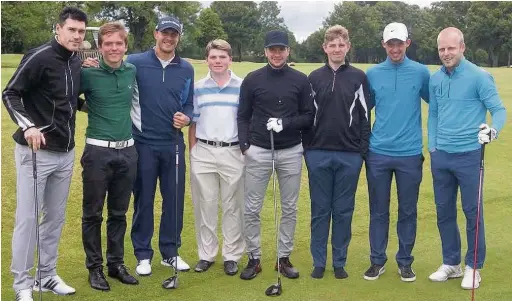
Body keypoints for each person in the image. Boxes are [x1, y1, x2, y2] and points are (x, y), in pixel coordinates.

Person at [2, 7, 87, 301]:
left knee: (54, 219)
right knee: (28, 219)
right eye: (72, 30)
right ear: (58, 29)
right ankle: (22, 285)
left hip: (65, 152)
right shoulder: (40, 56)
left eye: (80, 31)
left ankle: (46, 275)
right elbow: (10, 93)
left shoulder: (75, 60)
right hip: (35, 151)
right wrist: (28, 127)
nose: (76, 36)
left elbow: (68, 100)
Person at [427, 27, 506, 290]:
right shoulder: (436, 79)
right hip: (442, 156)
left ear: (462, 47)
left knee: (472, 212)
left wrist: (492, 131)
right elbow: (434, 115)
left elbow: (499, 110)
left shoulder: (479, 76)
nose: (446, 53)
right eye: (442, 49)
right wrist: (434, 147)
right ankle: (451, 263)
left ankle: (473, 267)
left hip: (470, 155)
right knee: (444, 212)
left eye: (451, 48)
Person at [237, 30, 315, 280]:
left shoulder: (300, 80)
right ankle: (254, 258)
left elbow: (308, 117)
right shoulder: (252, 79)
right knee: (251, 208)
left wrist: (286, 123)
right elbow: (243, 115)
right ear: (265, 52)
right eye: (272, 49)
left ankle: (283, 258)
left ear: (288, 51)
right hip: (259, 150)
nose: (277, 53)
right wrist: (244, 145)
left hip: (291, 151)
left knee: (289, 207)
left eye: (281, 49)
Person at [363, 22, 430, 282]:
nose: (395, 48)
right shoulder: (372, 74)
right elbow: (362, 111)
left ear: (407, 43)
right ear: (384, 45)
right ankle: (377, 261)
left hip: (410, 153)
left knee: (408, 210)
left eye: (399, 43)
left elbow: (436, 103)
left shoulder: (420, 72)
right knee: (378, 210)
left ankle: (405, 262)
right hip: (378, 152)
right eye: (390, 44)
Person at [127, 16, 193, 276]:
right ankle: (143, 254)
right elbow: (111, 71)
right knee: (144, 199)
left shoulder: (186, 68)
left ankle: (170, 252)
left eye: (173, 34)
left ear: (178, 37)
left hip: (173, 144)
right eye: (165, 33)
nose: (169, 38)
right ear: (155, 34)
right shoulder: (135, 62)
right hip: (143, 143)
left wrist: (186, 116)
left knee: (174, 200)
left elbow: (188, 102)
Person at [304, 25, 371, 280]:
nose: (337, 49)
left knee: (343, 210)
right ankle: (319, 262)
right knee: (320, 210)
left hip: (349, 155)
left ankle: (339, 262)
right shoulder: (313, 77)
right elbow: (307, 116)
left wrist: (361, 152)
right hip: (318, 153)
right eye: (332, 45)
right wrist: (308, 151)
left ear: (347, 47)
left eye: (341, 45)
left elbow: (365, 117)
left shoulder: (358, 77)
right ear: (325, 48)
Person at [79, 22, 139, 291]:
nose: (114, 48)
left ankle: (116, 264)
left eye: (119, 43)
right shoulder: (87, 73)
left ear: (125, 46)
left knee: (119, 213)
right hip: (97, 152)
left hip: (127, 151)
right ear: (100, 46)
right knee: (93, 214)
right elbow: (67, 98)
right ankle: (95, 268)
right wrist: (87, 107)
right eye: (108, 43)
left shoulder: (131, 71)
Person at [189, 39, 245, 276]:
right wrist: (193, 150)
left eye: (222, 57)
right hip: (203, 151)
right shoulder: (198, 87)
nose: (218, 61)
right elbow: (193, 122)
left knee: (233, 206)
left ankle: (231, 255)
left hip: (233, 151)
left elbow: (246, 120)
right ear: (207, 60)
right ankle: (206, 254)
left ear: (230, 59)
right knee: (205, 205)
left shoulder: (243, 86)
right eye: (213, 57)